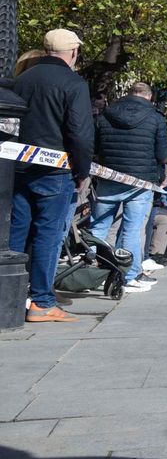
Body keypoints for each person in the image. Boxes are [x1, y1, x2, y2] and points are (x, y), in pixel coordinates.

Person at [9, 29, 95, 322]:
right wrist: (82, 171)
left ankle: (11, 294)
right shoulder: (73, 83)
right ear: (72, 53)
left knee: (17, 233)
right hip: (56, 170)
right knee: (48, 235)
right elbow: (80, 134)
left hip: (17, 168)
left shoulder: (21, 80)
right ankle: (43, 302)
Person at [88, 81, 167, 293]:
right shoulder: (155, 118)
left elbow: (95, 147)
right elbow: (162, 155)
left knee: (98, 226)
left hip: (108, 177)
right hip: (140, 182)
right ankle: (129, 276)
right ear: (150, 97)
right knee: (131, 230)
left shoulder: (105, 114)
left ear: (128, 93)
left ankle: (89, 273)